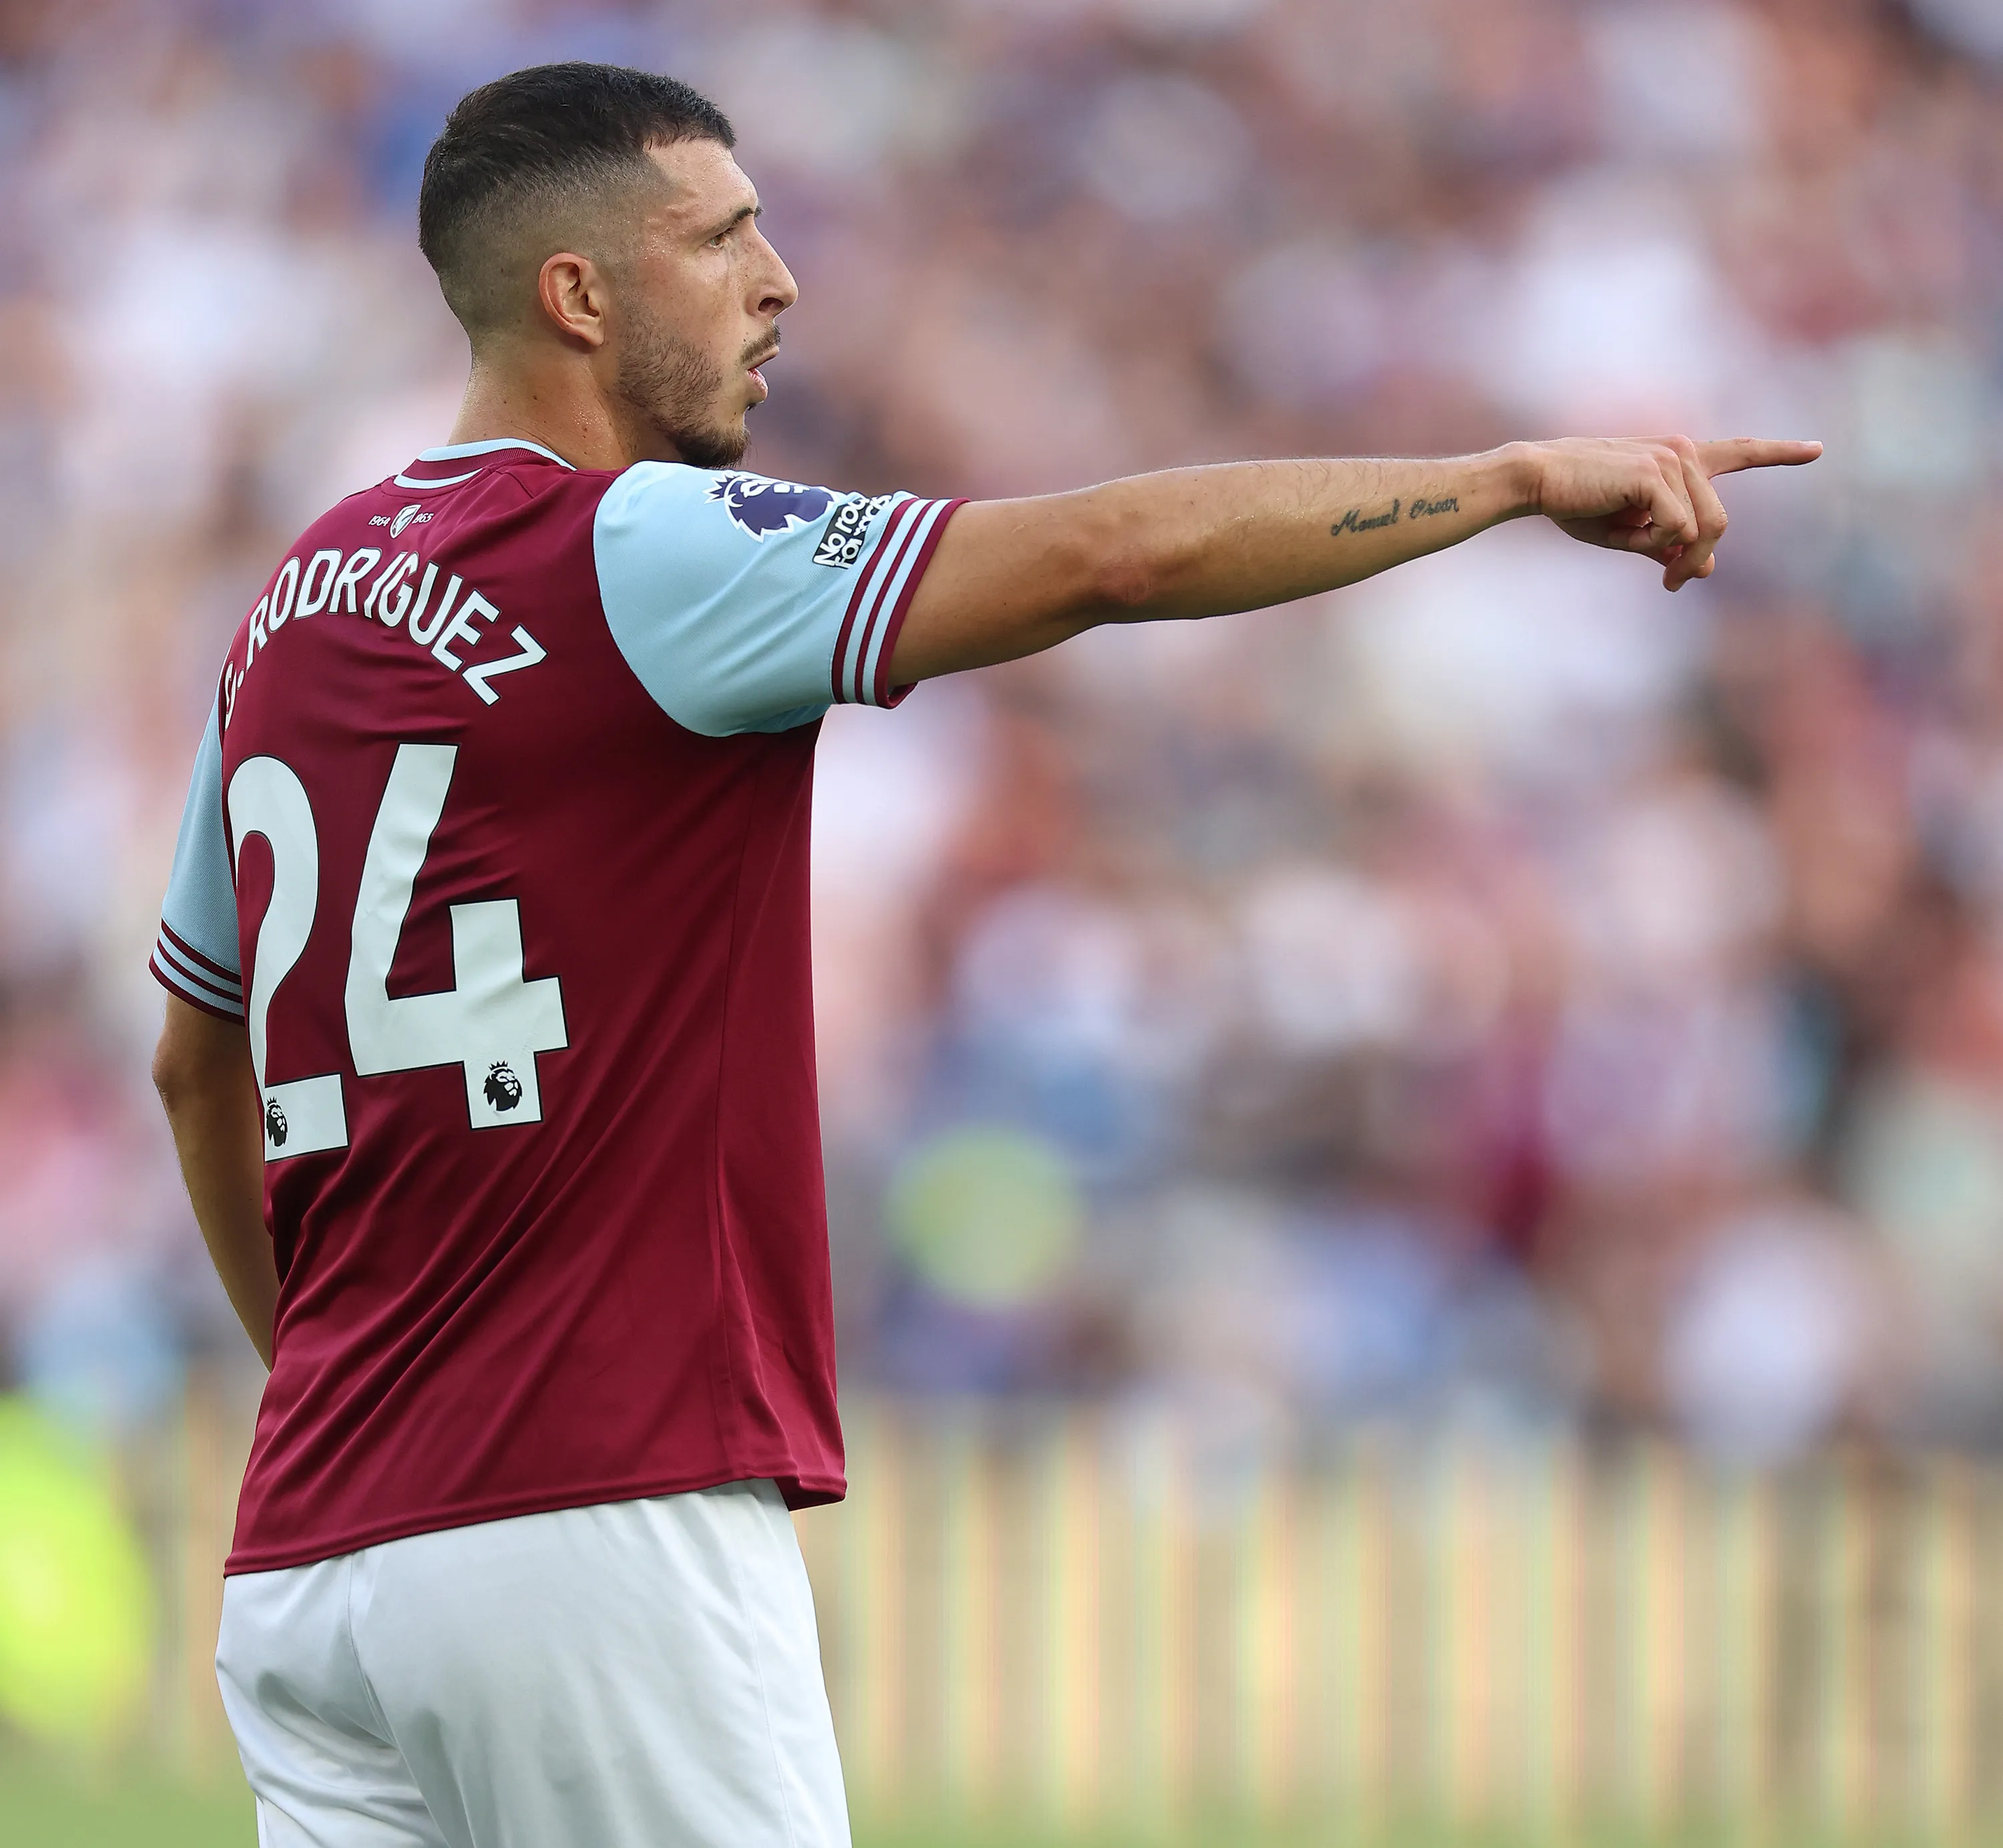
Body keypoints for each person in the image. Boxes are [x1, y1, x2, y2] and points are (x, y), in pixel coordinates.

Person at [146, 59, 1819, 1848]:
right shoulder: (640, 547)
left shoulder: (290, 610)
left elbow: (194, 1060)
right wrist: (1502, 481)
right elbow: (1116, 555)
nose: (779, 280)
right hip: (592, 1516)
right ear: (580, 296)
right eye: (721, 241)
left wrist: (333, 1384)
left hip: (314, 1554)